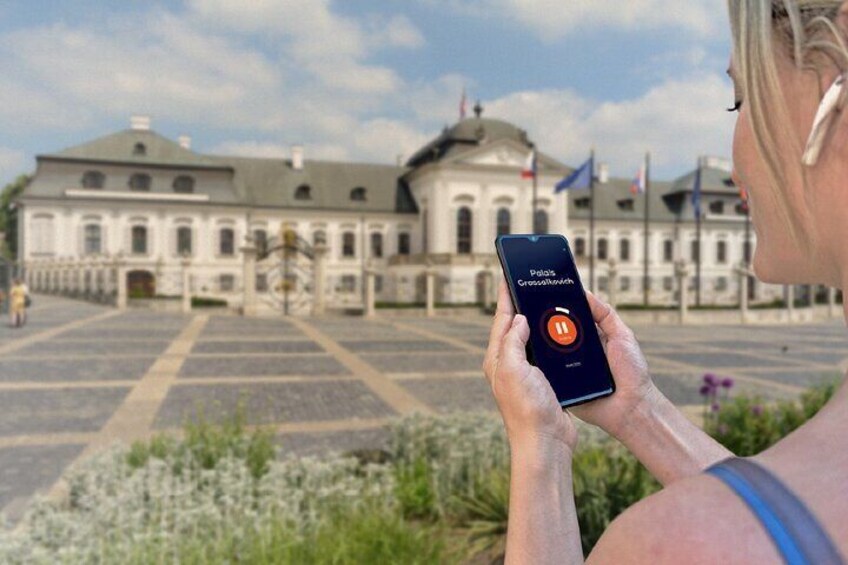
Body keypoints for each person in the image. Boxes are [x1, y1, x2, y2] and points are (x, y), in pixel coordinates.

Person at [483, 1, 848, 562]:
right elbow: (778, 517)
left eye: (742, 98)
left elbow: (757, 531)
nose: (733, 167)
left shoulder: (667, 544)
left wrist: (541, 445)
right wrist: (638, 411)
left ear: (832, 86)